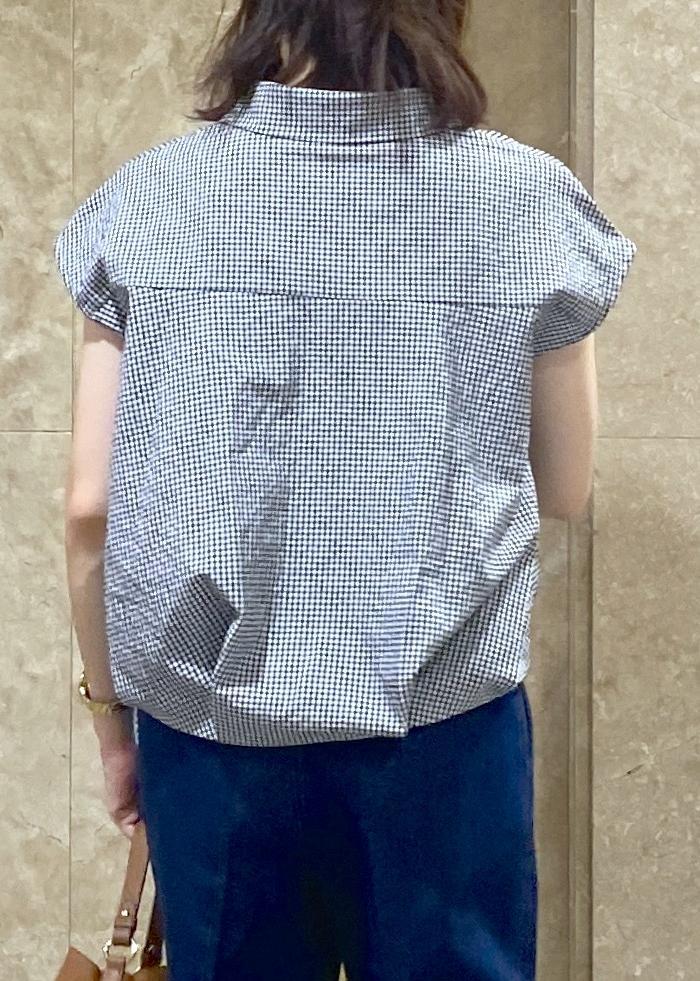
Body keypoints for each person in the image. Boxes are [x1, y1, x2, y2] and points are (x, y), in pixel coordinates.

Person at [55, 1, 637, 978]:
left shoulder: (149, 199)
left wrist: (113, 725)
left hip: (212, 737)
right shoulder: (528, 201)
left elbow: (89, 510)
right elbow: (566, 485)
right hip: (443, 737)